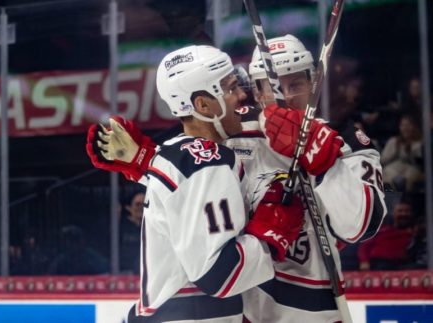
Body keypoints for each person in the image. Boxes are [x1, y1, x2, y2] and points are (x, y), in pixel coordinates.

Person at [87, 35, 388, 322]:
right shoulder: (231, 132)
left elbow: (361, 227)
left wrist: (324, 162)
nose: (283, 96)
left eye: (295, 83)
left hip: (309, 311)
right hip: (243, 308)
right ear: (256, 91)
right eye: (271, 86)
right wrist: (147, 162)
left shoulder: (345, 140)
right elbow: (193, 195)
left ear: (314, 82)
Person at [87, 45, 304, 322]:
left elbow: (183, 207)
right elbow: (219, 276)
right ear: (203, 105)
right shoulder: (210, 161)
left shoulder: (175, 153)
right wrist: (268, 237)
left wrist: (142, 159)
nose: (241, 96)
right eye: (230, 88)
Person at [357, 200, 415, 270]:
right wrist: (364, 261)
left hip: (402, 267)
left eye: (407, 211)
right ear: (393, 213)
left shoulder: (416, 234)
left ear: (411, 213)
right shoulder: (381, 231)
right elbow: (364, 247)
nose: (404, 214)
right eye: (400, 211)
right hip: (378, 266)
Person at [380, 114, 424, 192]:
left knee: (410, 175)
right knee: (389, 172)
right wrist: (395, 152)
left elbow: (421, 164)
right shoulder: (393, 141)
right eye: (403, 125)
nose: (405, 128)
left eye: (408, 125)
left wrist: (410, 152)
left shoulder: (420, 143)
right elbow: (382, 161)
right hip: (392, 169)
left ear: (414, 127)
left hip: (412, 171)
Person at [119, 190, 145, 274]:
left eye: (144, 204)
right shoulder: (119, 228)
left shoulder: (154, 228)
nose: (141, 207)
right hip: (124, 273)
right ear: (129, 207)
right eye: (138, 204)